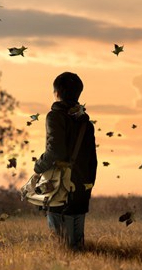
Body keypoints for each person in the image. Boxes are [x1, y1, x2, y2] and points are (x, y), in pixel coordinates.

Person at [34, 72, 97, 251]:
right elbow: (93, 160)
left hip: (60, 187)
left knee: (62, 247)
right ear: (79, 93)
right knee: (78, 246)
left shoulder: (55, 116)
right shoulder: (86, 123)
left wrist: (39, 166)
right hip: (81, 187)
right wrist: (88, 186)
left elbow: (56, 151)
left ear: (56, 93)